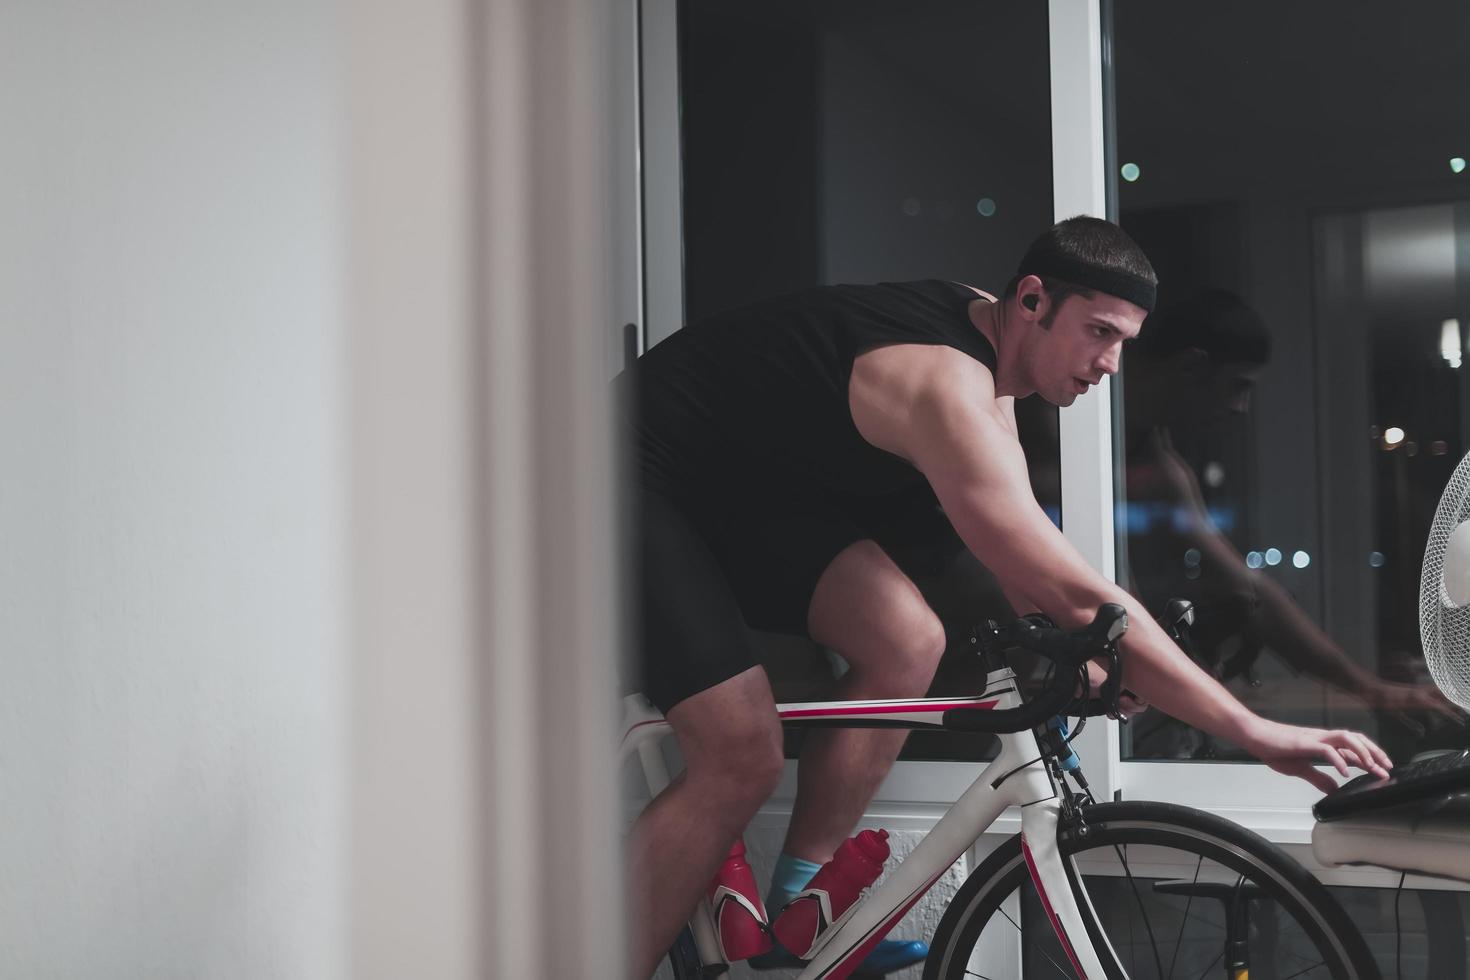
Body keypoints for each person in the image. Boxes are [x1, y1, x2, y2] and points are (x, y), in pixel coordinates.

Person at [618, 217, 1393, 980]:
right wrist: (1258, 733)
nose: (1112, 364)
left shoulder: (993, 364)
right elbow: (1077, 592)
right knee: (739, 753)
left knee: (906, 638)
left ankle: (799, 911)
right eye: (1098, 332)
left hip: (743, 492)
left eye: (1125, 340)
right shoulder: (946, 389)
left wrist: (1080, 648)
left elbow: (1026, 573)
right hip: (623, 470)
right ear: (1030, 302)